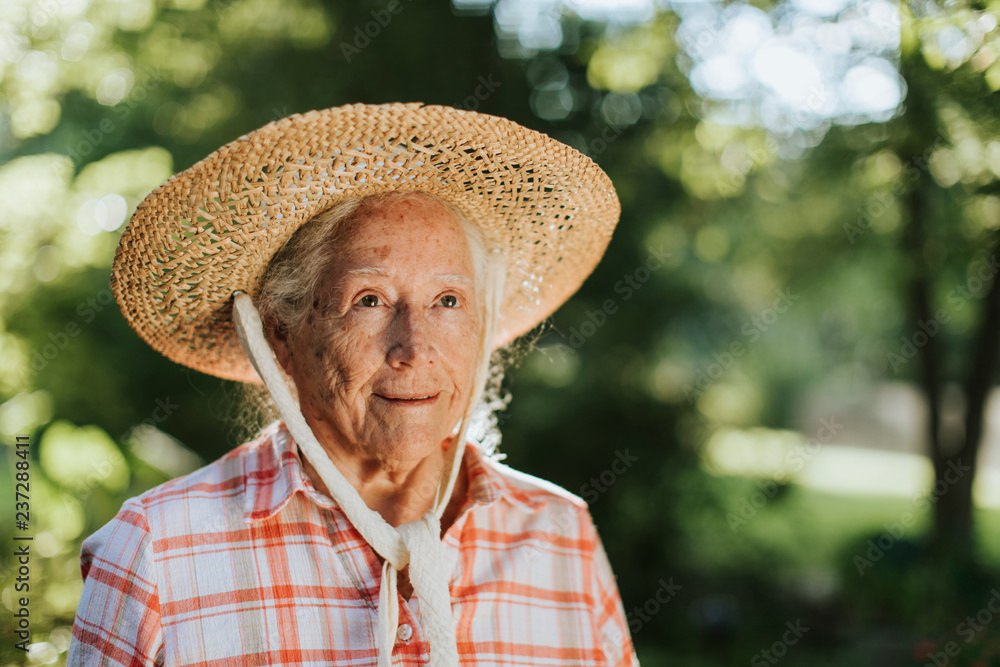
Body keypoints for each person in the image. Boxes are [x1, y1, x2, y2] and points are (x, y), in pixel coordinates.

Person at [69, 103, 636, 666]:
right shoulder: (155, 553)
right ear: (280, 337)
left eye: (447, 301)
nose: (414, 349)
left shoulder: (561, 532)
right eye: (369, 300)